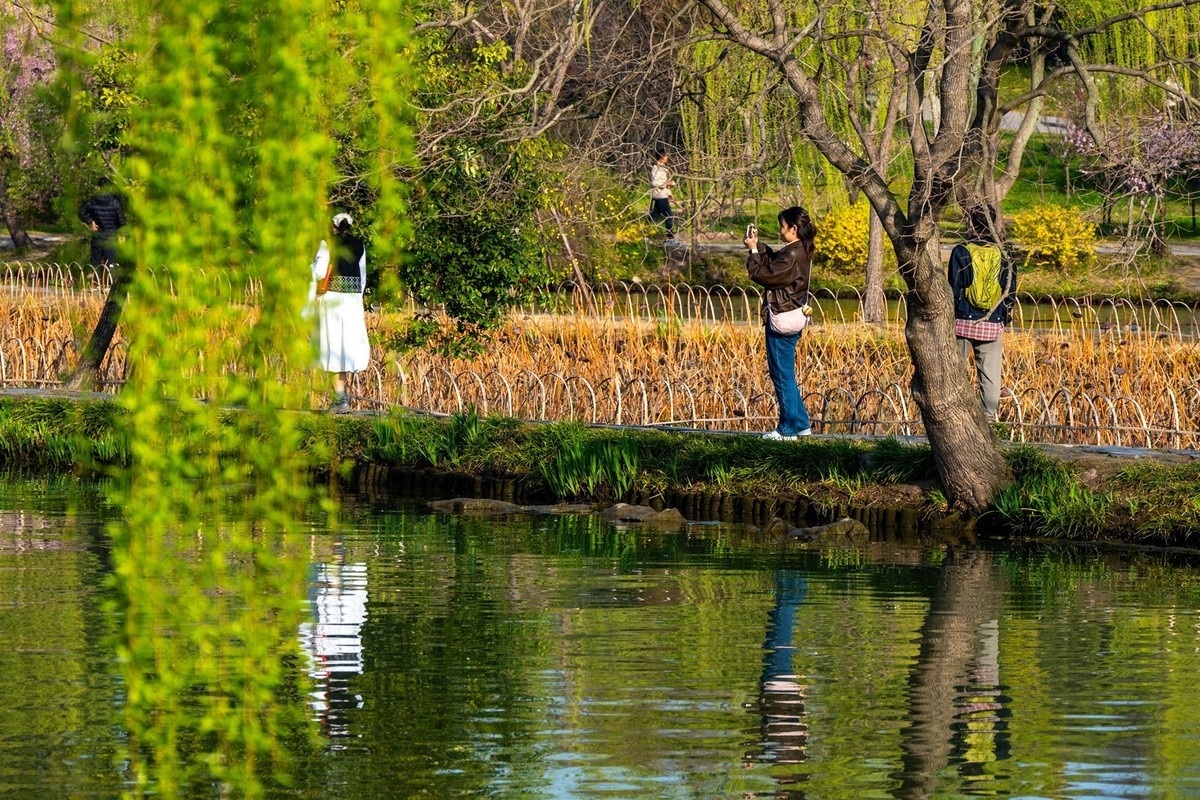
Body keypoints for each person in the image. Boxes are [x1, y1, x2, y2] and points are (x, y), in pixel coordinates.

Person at [745, 206, 817, 440]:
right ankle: (802, 425)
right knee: (787, 374)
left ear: (793, 229)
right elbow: (775, 262)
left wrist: (753, 252)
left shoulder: (793, 255)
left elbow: (763, 275)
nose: (780, 230)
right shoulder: (800, 250)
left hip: (781, 318)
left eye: (782, 226)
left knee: (781, 375)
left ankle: (787, 430)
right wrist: (758, 246)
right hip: (795, 316)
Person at [948, 210, 1017, 422]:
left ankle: (956, 418)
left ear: (970, 222)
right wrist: (1003, 316)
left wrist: (954, 313)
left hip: (962, 322)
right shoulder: (1004, 252)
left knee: (955, 371)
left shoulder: (961, 251)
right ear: (994, 221)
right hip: (992, 321)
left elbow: (953, 286)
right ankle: (988, 418)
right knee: (990, 375)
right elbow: (1009, 290)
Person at [310, 212, 371, 412]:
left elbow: (319, 272)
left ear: (333, 227)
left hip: (333, 300)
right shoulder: (360, 245)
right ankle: (341, 398)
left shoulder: (327, 243)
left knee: (332, 345)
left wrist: (311, 265)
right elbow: (362, 278)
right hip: (352, 301)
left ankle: (340, 399)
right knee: (344, 347)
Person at [78, 178, 126, 268]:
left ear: (98, 188)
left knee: (95, 263)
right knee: (110, 263)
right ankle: (109, 280)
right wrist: (122, 234)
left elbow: (81, 212)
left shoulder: (92, 201)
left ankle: (94, 280)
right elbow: (121, 219)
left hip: (98, 235)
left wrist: (90, 221)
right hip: (111, 235)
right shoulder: (115, 202)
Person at [648, 146, 676, 242]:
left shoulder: (664, 168)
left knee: (654, 215)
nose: (667, 158)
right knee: (669, 215)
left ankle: (646, 233)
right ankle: (670, 237)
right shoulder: (656, 168)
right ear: (663, 157)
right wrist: (667, 184)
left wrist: (669, 193)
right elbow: (654, 183)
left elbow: (664, 181)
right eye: (666, 156)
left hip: (663, 194)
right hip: (659, 196)